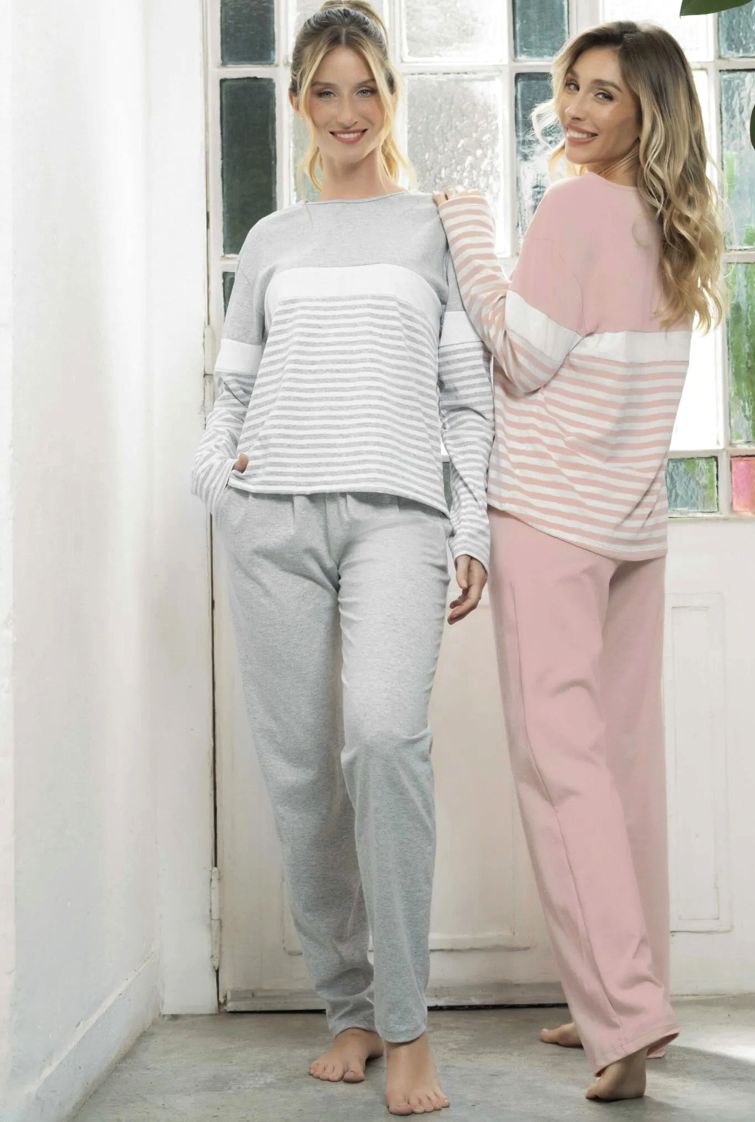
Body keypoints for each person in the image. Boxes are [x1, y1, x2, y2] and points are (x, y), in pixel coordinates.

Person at [191, 2, 492, 1114]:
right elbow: (230, 392)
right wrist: (219, 481)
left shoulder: (430, 229)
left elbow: (466, 400)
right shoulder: (272, 238)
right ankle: (349, 1011)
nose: (347, 110)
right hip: (270, 522)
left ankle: (407, 1028)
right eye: (326, 89)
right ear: (298, 102)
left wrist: (471, 526)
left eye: (366, 88)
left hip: (397, 519)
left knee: (383, 741)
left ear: (391, 98)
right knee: (301, 774)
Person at [435, 20, 723, 1103]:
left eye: (605, 94)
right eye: (572, 87)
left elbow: (519, 356)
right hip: (629, 523)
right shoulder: (668, 219)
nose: (577, 109)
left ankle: (625, 1017)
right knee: (621, 763)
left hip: (551, 518)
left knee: (561, 771)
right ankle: (625, 998)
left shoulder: (576, 206)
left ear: (648, 110)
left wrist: (467, 231)